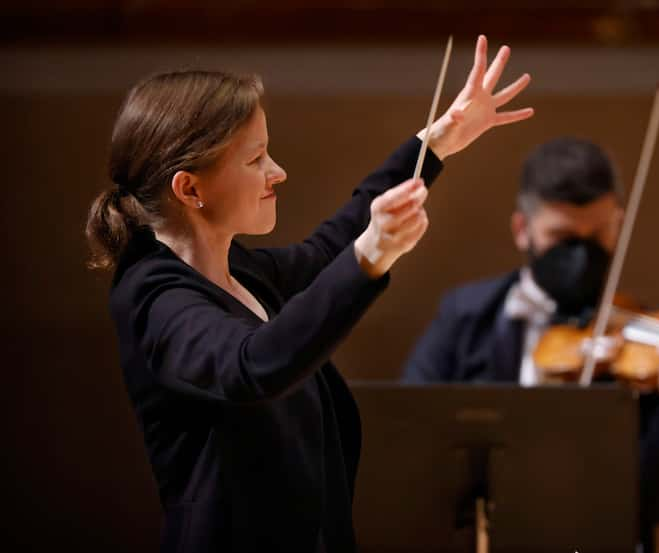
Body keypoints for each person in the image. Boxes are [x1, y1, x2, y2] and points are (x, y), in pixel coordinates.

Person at [85, 36, 533, 553]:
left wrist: (438, 142)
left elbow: (331, 245)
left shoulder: (242, 272)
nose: (278, 172)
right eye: (256, 159)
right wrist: (372, 254)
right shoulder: (154, 300)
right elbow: (254, 365)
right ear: (189, 189)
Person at [403, 137, 659, 553]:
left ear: (618, 226)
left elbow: (658, 505)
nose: (581, 255)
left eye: (598, 235)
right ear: (523, 230)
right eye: (562, 236)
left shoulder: (641, 342)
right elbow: (412, 445)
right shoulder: (464, 318)